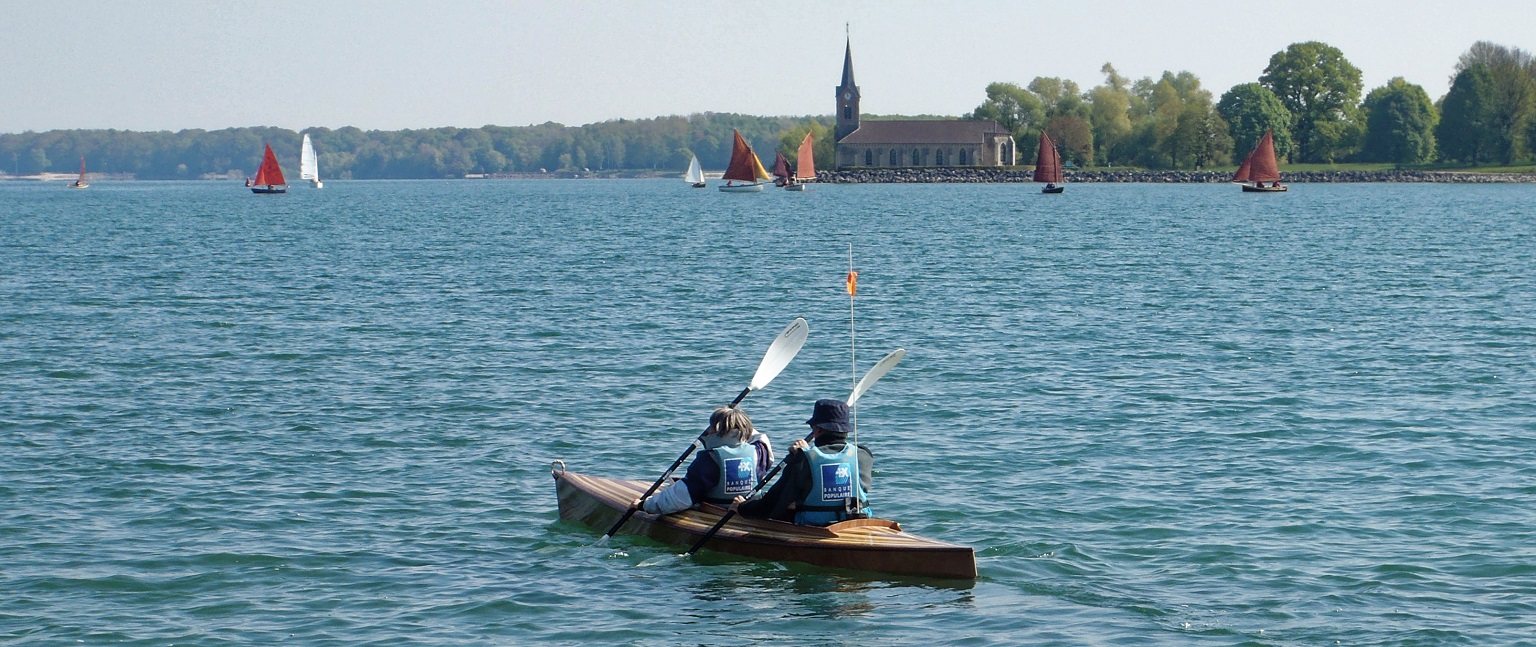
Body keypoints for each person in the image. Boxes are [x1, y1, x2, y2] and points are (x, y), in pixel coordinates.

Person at [734, 399, 873, 526]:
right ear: (846, 431)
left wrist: (743, 507)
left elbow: (773, 504)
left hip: (815, 526)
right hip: (857, 523)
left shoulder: (802, 460)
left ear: (817, 430)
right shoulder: (863, 454)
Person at [630, 406, 773, 515]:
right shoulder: (760, 452)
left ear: (715, 430)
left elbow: (680, 498)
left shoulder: (708, 459)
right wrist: (735, 419)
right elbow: (760, 438)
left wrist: (645, 505)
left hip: (716, 512)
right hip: (749, 509)